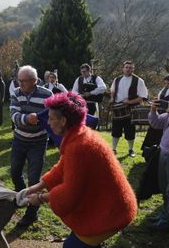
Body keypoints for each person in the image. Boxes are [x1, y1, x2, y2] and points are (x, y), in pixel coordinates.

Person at [24, 92, 137, 247]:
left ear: (63, 121)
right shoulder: (79, 135)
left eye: (51, 118)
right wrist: (37, 187)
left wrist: (41, 198)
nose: (48, 122)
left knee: (72, 246)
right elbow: (61, 168)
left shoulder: (79, 146)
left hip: (112, 211)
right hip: (110, 205)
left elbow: (69, 193)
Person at [10, 65, 53, 226]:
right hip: (19, 140)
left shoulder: (47, 95)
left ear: (34, 81)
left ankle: (31, 214)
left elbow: (52, 116)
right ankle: (24, 195)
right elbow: (14, 115)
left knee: (34, 178)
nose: (20, 84)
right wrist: (27, 119)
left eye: (24, 81)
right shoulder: (16, 93)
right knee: (15, 172)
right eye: (19, 80)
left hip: (38, 142)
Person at [109, 60, 148, 157]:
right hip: (117, 108)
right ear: (123, 68)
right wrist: (112, 98)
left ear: (133, 69)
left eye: (130, 67)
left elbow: (142, 96)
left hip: (131, 109)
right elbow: (112, 90)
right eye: (126, 67)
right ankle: (113, 149)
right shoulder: (117, 79)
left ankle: (130, 150)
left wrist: (129, 102)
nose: (128, 69)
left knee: (130, 130)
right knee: (116, 130)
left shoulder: (138, 80)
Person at [147, 96, 169, 231]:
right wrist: (153, 110)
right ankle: (165, 213)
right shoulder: (167, 115)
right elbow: (155, 123)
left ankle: (167, 221)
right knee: (164, 185)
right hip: (163, 152)